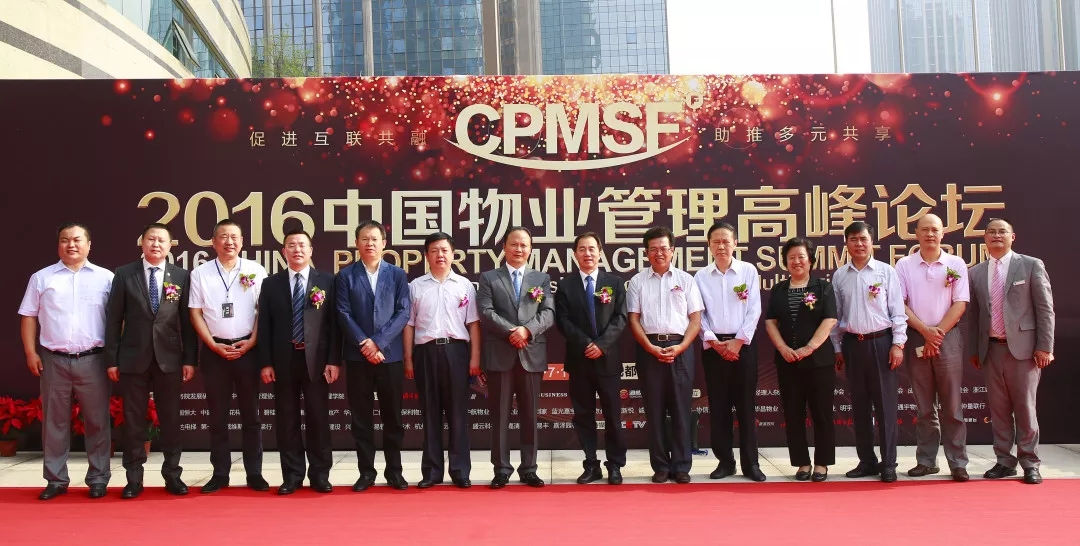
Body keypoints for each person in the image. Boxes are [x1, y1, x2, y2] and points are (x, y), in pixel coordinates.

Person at [19, 222, 114, 500]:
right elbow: (29, 316)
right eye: (64, 240)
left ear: (89, 245)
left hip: (94, 359)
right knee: (54, 423)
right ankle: (56, 479)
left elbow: (118, 320)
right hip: (53, 360)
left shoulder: (106, 278)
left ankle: (98, 479)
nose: (71, 245)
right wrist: (31, 353)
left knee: (97, 422)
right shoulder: (42, 278)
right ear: (58, 244)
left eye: (77, 240)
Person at [104, 223, 197, 499]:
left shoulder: (180, 276)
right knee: (134, 421)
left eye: (161, 240)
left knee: (171, 419)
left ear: (170, 246)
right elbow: (114, 320)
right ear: (142, 242)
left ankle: (173, 475)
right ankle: (134, 479)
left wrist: (190, 359)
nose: (156, 244)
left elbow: (187, 323)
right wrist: (112, 359)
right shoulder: (124, 274)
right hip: (133, 359)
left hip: (170, 359)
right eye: (151, 239)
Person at [967, 218, 1055, 485]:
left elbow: (1045, 308)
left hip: (1024, 351)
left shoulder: (1030, 265)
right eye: (991, 232)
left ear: (1012, 237)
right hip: (990, 350)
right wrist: (975, 350)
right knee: (998, 410)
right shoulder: (976, 272)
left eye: (1002, 232)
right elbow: (974, 316)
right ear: (984, 238)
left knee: (1025, 409)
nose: (996, 235)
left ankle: (1030, 462)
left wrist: (1044, 346)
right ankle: (1004, 461)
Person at [258, 229, 341, 495]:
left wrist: (333, 360)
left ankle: (320, 474)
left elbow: (334, 325)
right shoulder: (271, 284)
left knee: (318, 418)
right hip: (283, 360)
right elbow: (265, 326)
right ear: (284, 251)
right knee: (287, 419)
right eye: (291, 245)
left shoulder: (327, 281)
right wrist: (266, 362)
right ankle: (292, 475)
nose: (297, 250)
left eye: (302, 245)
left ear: (311, 250)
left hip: (316, 361)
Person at [189, 218, 268, 493]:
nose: (229, 242)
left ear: (242, 241)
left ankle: (254, 473)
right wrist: (212, 345)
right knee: (218, 417)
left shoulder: (256, 270)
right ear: (213, 242)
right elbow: (195, 312)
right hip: (215, 353)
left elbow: (263, 311)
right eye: (223, 237)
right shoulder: (200, 273)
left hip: (248, 351)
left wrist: (252, 341)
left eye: (234, 237)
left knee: (251, 416)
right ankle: (220, 473)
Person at [477, 226, 555, 489]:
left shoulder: (541, 279)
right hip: (500, 354)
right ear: (504, 247)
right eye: (514, 244)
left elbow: (548, 313)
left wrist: (527, 331)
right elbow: (485, 311)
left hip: (531, 354)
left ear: (530, 249)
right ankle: (501, 469)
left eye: (524, 245)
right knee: (499, 415)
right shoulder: (489, 278)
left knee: (530, 415)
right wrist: (512, 331)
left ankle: (529, 469)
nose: (518, 249)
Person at [336, 220, 411, 491]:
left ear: (384, 243)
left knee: (393, 418)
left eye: (375, 239)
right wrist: (364, 344)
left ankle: (394, 472)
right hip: (358, 358)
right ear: (357, 243)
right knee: (361, 419)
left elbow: (403, 312)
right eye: (364, 239)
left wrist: (378, 343)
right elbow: (343, 313)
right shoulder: (345, 276)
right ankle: (366, 473)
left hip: (390, 357)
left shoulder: (397, 274)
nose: (370, 243)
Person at [895, 213, 970, 481]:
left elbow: (960, 303)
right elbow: (900, 303)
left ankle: (958, 462)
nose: (930, 234)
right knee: (925, 406)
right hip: (917, 337)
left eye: (934, 230)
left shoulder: (955, 263)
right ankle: (926, 461)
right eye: (924, 230)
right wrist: (925, 332)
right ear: (916, 233)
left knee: (952, 405)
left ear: (942, 233)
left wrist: (936, 335)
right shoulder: (904, 265)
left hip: (947, 339)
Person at [830, 221, 907, 483]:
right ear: (846, 243)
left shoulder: (886, 272)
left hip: (881, 343)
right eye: (853, 239)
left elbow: (898, 311)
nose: (859, 244)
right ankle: (867, 461)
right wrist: (838, 348)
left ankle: (889, 463)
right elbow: (837, 316)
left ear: (871, 242)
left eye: (863, 239)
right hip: (853, 345)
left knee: (885, 407)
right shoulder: (840, 276)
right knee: (859, 407)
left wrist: (898, 344)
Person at [403, 232, 481, 489]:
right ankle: (432, 471)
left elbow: (473, 324)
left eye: (444, 250)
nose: (440, 255)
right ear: (426, 255)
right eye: (434, 250)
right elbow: (409, 325)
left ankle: (460, 471)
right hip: (425, 353)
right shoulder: (415, 286)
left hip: (457, 352)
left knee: (458, 414)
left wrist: (474, 359)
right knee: (430, 414)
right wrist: (408, 359)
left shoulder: (464, 285)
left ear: (453, 254)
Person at [627, 226, 703, 485]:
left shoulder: (686, 280)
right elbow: (633, 319)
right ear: (646, 252)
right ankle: (660, 466)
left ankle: (681, 465)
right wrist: (650, 347)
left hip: (680, 349)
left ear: (672, 250)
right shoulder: (638, 281)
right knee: (654, 410)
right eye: (653, 249)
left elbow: (695, 320)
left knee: (681, 409)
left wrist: (681, 347)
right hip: (649, 350)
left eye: (663, 248)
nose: (659, 253)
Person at [693, 222, 765, 482]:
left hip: (743, 347)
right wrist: (714, 342)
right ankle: (725, 462)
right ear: (709, 245)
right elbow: (698, 314)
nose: (721, 246)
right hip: (714, 349)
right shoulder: (700, 277)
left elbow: (754, 309)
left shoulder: (748, 270)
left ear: (735, 243)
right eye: (716, 242)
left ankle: (751, 464)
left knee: (746, 408)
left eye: (726, 241)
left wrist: (738, 341)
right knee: (719, 407)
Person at [554, 232, 628, 485]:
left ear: (600, 252)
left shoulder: (614, 282)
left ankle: (615, 465)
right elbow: (562, 320)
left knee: (613, 417)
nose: (587, 253)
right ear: (575, 254)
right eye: (582, 249)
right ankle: (591, 464)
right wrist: (587, 344)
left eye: (592, 249)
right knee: (583, 415)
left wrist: (601, 345)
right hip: (580, 360)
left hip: (608, 361)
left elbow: (621, 318)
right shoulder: (565, 285)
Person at [765, 237, 838, 482]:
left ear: (811, 261)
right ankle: (802, 463)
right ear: (785, 262)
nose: (796, 261)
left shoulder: (823, 288)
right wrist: (783, 348)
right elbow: (770, 322)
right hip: (788, 362)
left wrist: (809, 348)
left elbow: (830, 319)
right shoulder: (779, 290)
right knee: (793, 414)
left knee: (821, 413)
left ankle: (822, 463)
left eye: (801, 257)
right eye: (791, 258)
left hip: (819, 362)